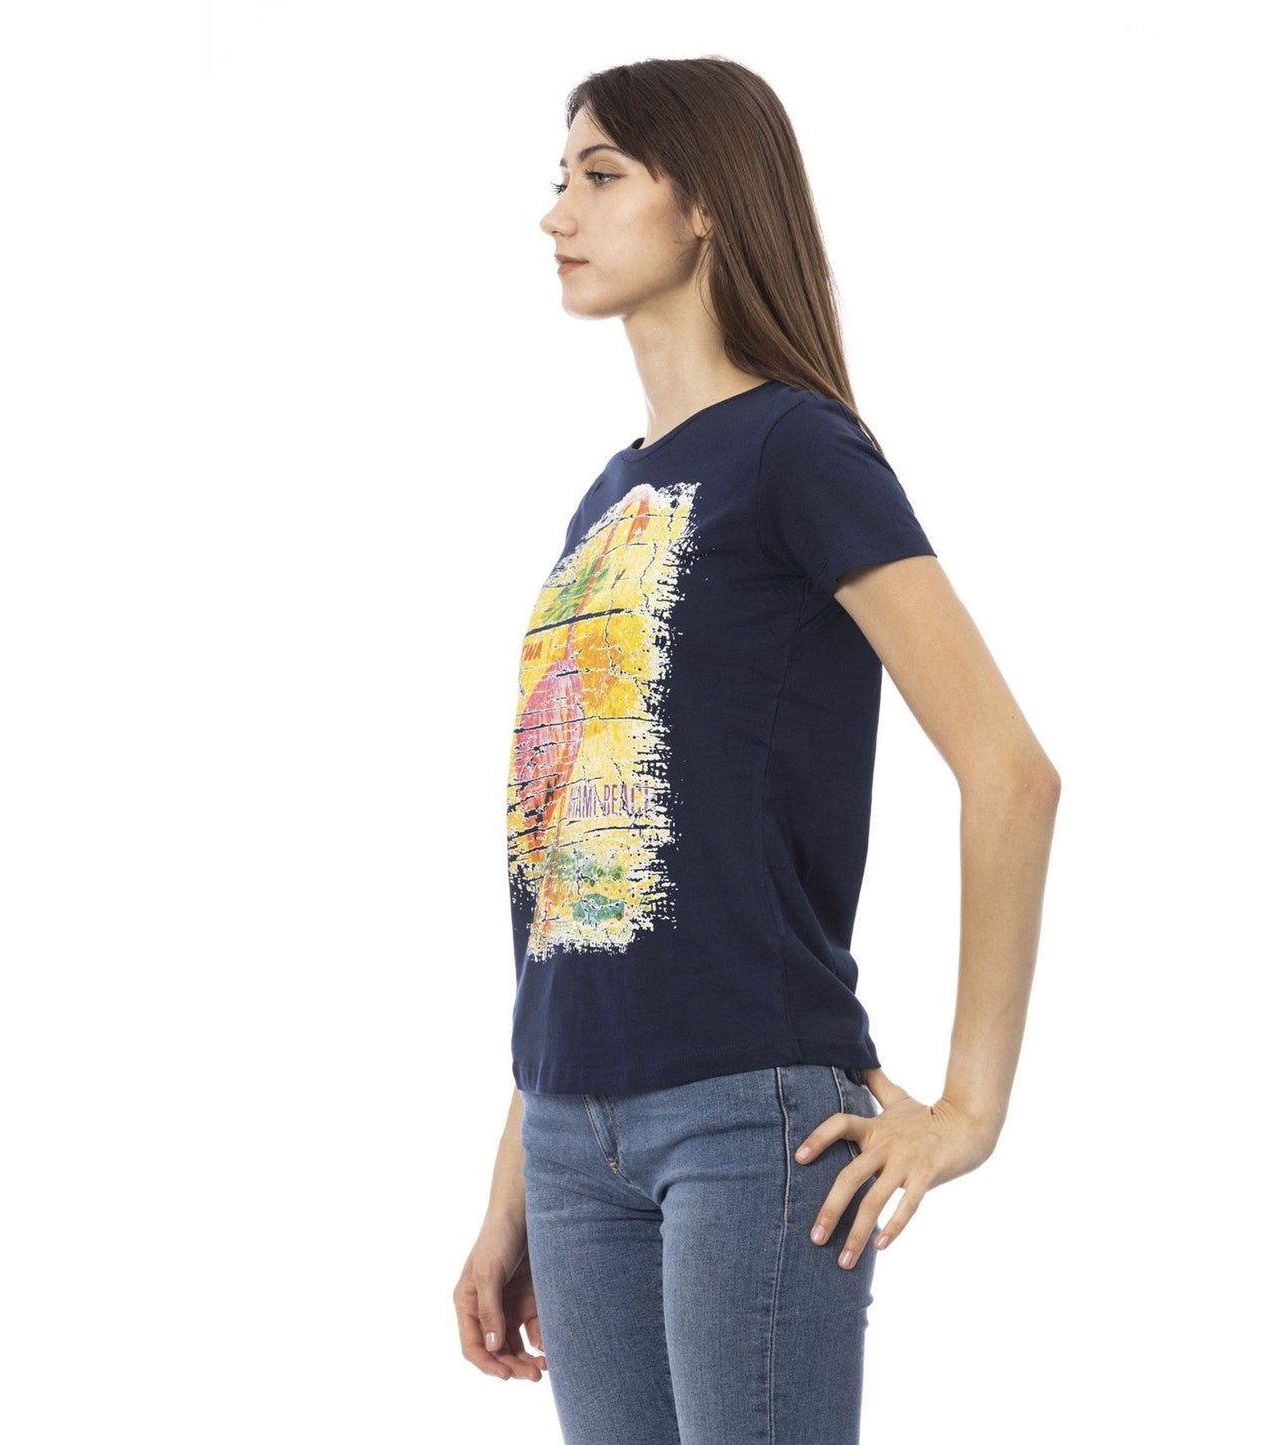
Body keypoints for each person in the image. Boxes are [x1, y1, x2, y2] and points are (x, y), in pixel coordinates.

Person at [453, 56, 1060, 1444]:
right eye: (560, 177)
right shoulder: (608, 499)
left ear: (709, 201)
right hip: (571, 1134)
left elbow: (1010, 770)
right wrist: (512, 1182)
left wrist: (968, 1111)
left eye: (602, 175)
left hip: (748, 1119)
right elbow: (570, 865)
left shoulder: (798, 449)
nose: (558, 211)